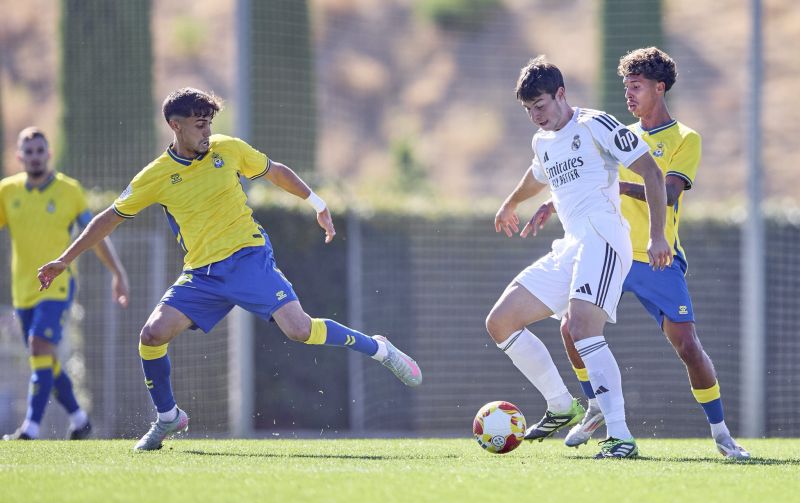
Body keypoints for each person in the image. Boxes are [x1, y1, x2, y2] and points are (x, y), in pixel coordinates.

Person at [38, 88, 422, 451]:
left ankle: (379, 348)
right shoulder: (154, 176)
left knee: (299, 330)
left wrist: (317, 202)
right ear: (176, 126)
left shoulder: (228, 149)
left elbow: (275, 171)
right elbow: (109, 218)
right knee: (152, 335)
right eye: (199, 124)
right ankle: (169, 416)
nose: (208, 131)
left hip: (247, 257)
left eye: (210, 123)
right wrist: (65, 259)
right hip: (201, 274)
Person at [529, 47, 749, 459]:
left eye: (636, 86)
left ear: (659, 88)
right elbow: (578, 182)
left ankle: (721, 433)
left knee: (687, 345)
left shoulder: (685, 138)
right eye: (625, 87)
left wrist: (623, 196)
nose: (628, 94)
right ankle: (595, 406)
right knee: (570, 328)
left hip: (654, 256)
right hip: (607, 249)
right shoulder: (614, 132)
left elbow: (666, 191)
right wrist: (550, 202)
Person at [486, 56, 670, 459]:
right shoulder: (542, 140)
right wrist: (510, 203)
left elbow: (652, 173)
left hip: (603, 239)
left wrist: (657, 236)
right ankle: (560, 405)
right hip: (570, 246)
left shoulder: (595, 124)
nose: (536, 115)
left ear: (561, 94)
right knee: (500, 322)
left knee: (583, 328)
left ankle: (620, 436)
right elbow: (538, 174)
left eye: (541, 105)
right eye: (528, 109)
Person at [1, 127, 129, 440]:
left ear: (49, 153)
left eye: (39, 151)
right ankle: (80, 419)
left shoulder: (69, 191)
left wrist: (118, 273)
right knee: (44, 357)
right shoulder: (7, 191)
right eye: (28, 152)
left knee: (39, 346)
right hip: (23, 289)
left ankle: (30, 428)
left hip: (57, 287)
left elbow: (95, 235)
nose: (34, 157)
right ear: (19, 156)